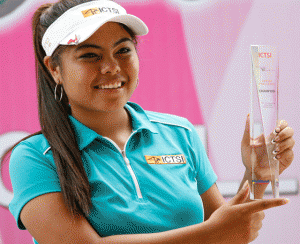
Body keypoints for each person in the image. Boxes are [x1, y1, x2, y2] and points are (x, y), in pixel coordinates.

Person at [3, 0, 295, 243]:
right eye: (90, 55)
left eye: (123, 50)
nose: (111, 67)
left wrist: (258, 173)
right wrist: (212, 233)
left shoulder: (179, 132)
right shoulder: (34, 157)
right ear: (54, 68)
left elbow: (226, 229)